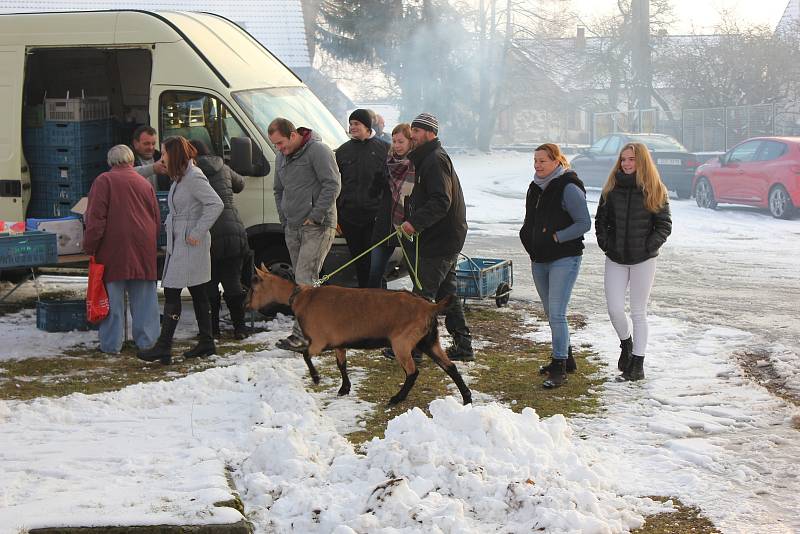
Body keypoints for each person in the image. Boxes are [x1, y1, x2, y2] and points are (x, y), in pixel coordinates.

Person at [138, 136, 223, 364]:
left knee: (174, 291)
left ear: (173, 154)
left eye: (164, 152)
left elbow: (216, 204)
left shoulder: (194, 177)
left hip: (189, 242)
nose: (161, 156)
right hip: (181, 240)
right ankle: (206, 342)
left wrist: (197, 232)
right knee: (197, 291)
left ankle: (164, 346)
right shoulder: (181, 177)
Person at [595, 142, 672, 382]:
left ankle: (637, 363)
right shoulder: (611, 188)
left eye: (632, 159)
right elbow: (600, 220)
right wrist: (606, 243)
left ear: (642, 162)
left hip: (643, 260)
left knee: (638, 312)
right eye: (624, 159)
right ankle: (626, 344)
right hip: (615, 258)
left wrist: (649, 246)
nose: (627, 163)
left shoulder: (655, 189)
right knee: (615, 308)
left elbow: (664, 225)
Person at [401, 112, 474, 362]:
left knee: (422, 296)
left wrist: (415, 223)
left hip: (441, 239)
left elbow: (442, 200)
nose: (413, 135)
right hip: (443, 237)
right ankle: (464, 346)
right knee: (446, 295)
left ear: (431, 133)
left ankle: (415, 349)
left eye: (418, 131)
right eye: (412, 129)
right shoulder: (426, 158)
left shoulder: (434, 159)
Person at [519, 143, 590, 388]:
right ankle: (567, 358)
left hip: (564, 258)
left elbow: (583, 223)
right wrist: (528, 239)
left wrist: (557, 237)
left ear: (556, 161)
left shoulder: (568, 187)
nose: (538, 165)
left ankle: (559, 367)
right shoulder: (535, 187)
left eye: (543, 161)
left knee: (557, 313)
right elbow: (531, 221)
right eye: (535, 161)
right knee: (551, 312)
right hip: (539, 259)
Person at [268, 117, 341, 352]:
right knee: (305, 280)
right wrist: (284, 218)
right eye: (275, 145)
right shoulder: (281, 156)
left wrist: (317, 214)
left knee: (304, 278)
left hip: (317, 226)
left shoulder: (318, 151)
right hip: (293, 226)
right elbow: (278, 190)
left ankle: (303, 336)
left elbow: (332, 184)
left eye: (281, 143)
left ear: (293, 135)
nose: (279, 149)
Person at [83, 145, 161, 354]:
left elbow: (95, 219)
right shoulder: (144, 183)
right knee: (145, 299)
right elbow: (156, 217)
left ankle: (111, 345)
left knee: (112, 301)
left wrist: (89, 246)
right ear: (131, 160)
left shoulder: (103, 181)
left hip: (112, 250)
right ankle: (148, 342)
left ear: (111, 162)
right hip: (143, 248)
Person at [189, 139, 252, 340]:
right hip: (233, 228)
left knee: (209, 284)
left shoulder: (192, 172)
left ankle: (212, 329)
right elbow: (240, 184)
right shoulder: (222, 166)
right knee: (233, 282)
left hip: (208, 232)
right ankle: (240, 328)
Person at [335, 108, 390, 287]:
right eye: (350, 124)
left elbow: (390, 185)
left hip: (374, 217)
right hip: (349, 217)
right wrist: (338, 214)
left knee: (375, 266)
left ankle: (379, 301)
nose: (352, 127)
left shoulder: (384, 149)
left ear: (367, 126)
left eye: (356, 123)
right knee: (360, 264)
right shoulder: (342, 151)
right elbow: (335, 184)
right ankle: (363, 303)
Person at [367, 122, 416, 289]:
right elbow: (373, 194)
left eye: (401, 141)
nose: (396, 145)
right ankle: (376, 308)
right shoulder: (388, 162)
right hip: (385, 224)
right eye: (394, 141)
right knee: (375, 273)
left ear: (410, 141)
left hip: (407, 225)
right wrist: (376, 181)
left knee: (415, 271)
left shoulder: (416, 163)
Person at [131, 125, 169, 191]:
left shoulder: (162, 158)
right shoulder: (127, 160)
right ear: (135, 143)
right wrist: (153, 168)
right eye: (146, 144)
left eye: (153, 144)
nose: (151, 148)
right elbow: (126, 174)